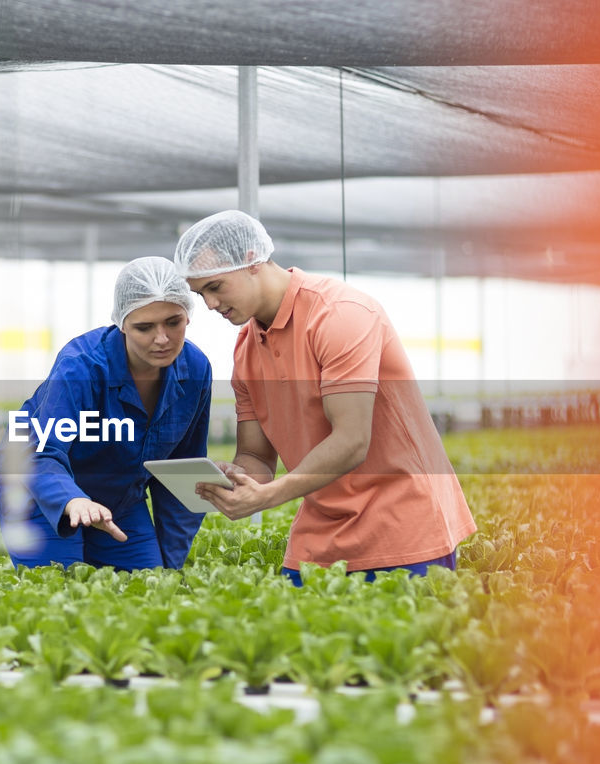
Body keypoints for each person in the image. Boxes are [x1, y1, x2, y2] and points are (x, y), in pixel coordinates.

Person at [174, 210, 475, 586]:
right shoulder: (246, 349)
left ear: (252, 260)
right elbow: (256, 457)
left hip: (402, 523)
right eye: (200, 294)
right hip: (320, 532)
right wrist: (237, 479)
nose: (210, 305)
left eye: (216, 287)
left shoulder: (340, 314)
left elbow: (352, 441)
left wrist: (268, 498)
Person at [0, 256, 212, 571]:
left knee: (148, 584)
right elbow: (43, 451)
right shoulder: (82, 365)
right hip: (37, 485)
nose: (162, 338)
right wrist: (72, 500)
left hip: (117, 494)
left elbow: (182, 470)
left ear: (187, 315)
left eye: (173, 322)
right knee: (55, 584)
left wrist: (168, 566)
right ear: (122, 324)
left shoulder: (196, 369)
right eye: (144, 327)